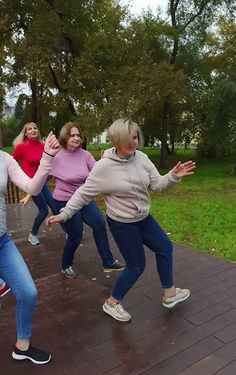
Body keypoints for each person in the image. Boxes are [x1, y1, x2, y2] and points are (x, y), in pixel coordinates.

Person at [47, 118, 196, 322]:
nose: (132, 143)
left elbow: (158, 185)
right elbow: (83, 194)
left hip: (143, 218)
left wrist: (173, 175)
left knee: (165, 247)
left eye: (135, 137)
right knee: (136, 265)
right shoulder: (104, 167)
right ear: (116, 140)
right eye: (127, 139)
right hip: (122, 224)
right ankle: (112, 303)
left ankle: (169, 294)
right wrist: (64, 214)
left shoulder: (142, 158)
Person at [0, 131, 60, 363]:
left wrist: (47, 158)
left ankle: (22, 346)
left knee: (28, 293)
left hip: (2, 242)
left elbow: (32, 187)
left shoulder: (4, 159)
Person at [48, 121, 124, 278]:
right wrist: (30, 192)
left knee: (100, 225)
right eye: (72, 135)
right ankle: (66, 264)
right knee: (76, 235)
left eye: (78, 135)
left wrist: (106, 163)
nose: (76, 138)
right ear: (65, 138)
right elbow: (42, 177)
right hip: (64, 201)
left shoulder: (85, 155)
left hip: (84, 199)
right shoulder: (57, 157)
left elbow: (98, 172)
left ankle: (108, 262)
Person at [12, 122, 57, 245]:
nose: (33, 130)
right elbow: (11, 163)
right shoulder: (22, 147)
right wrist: (20, 177)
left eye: (35, 128)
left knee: (55, 207)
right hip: (32, 183)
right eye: (30, 129)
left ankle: (70, 231)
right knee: (43, 210)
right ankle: (33, 234)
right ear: (26, 133)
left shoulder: (43, 146)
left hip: (43, 182)